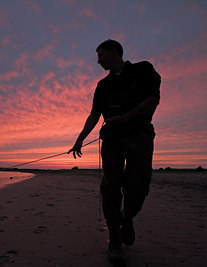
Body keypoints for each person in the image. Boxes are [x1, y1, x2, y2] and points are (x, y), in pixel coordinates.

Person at [68, 39, 161, 262]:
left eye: (101, 55)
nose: (98, 61)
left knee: (138, 185)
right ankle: (114, 238)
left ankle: (127, 217)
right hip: (111, 139)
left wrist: (125, 118)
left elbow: (153, 100)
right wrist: (80, 139)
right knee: (111, 185)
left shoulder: (143, 69)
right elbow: (94, 114)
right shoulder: (102, 85)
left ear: (113, 51)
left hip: (140, 134)